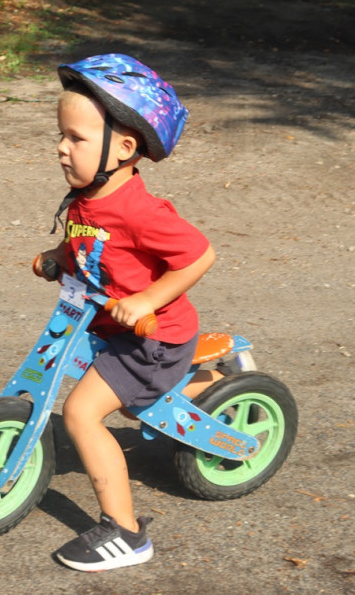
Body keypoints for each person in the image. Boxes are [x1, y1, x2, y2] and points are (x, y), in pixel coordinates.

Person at [34, 53, 218, 572]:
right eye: (61, 136)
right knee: (138, 407)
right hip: (107, 326)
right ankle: (207, 387)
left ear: (124, 147)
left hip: (150, 339)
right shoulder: (85, 201)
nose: (61, 148)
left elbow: (200, 254)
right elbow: (91, 248)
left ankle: (127, 534)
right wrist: (57, 259)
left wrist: (145, 300)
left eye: (75, 138)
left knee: (80, 412)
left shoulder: (140, 211)